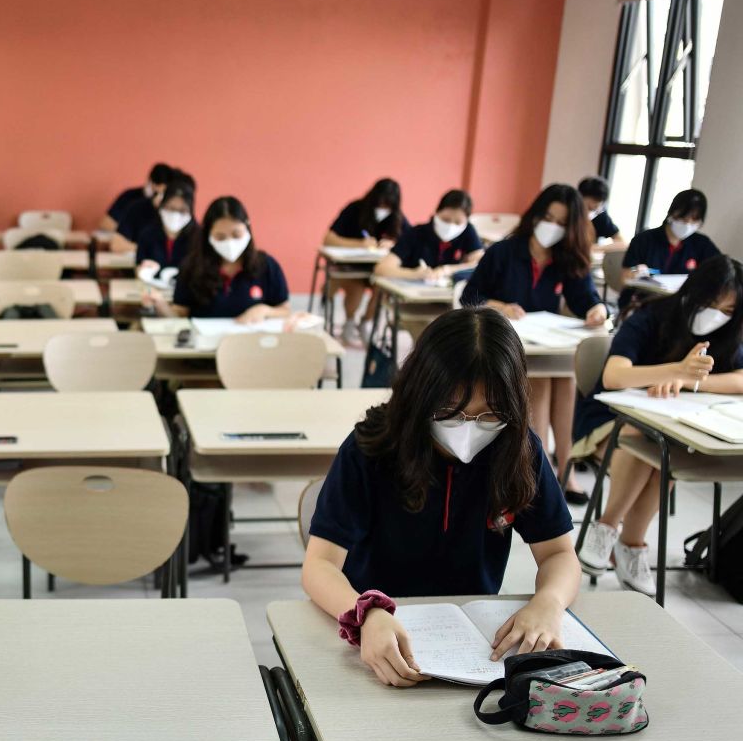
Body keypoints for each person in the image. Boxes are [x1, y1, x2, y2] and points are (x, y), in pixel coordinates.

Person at [302, 307, 580, 687]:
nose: (468, 429)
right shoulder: (372, 448)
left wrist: (548, 602)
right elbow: (319, 565)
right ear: (420, 394)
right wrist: (365, 614)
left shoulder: (517, 450)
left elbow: (560, 554)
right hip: (376, 633)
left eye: (489, 415)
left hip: (473, 645)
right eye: (450, 413)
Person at [574, 257, 743, 596]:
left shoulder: (728, 332)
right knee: (647, 440)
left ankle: (627, 543)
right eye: (711, 305)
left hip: (671, 426)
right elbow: (614, 375)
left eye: (726, 310)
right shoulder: (651, 316)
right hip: (607, 421)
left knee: (664, 448)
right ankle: (612, 530)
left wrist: (692, 383)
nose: (716, 316)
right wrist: (676, 370)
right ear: (692, 294)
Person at [460, 183, 607, 503]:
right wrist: (500, 306)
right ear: (536, 215)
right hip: (503, 345)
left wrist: (597, 309)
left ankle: (565, 468)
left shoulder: (567, 258)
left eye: (560, 222)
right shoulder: (504, 251)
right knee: (540, 383)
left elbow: (586, 299)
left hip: (544, 343)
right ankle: (536, 470)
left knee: (565, 379)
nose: (551, 227)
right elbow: (470, 295)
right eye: (548, 217)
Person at [147, 196, 289, 321]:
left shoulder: (267, 265)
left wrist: (264, 310)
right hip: (204, 349)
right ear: (208, 236)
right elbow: (180, 314)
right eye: (220, 237)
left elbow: (285, 310)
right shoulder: (192, 267)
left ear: (247, 228)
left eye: (236, 234)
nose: (230, 243)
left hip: (252, 346)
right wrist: (160, 305)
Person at [323, 178, 410, 347]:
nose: (383, 210)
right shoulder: (355, 209)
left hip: (377, 269)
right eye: (381, 204)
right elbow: (329, 239)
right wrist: (359, 244)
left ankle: (365, 322)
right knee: (357, 286)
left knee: (383, 287)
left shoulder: (396, 217)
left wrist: (393, 244)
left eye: (388, 206)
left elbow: (410, 241)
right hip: (350, 267)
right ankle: (349, 321)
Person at [618, 189, 721, 308]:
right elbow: (625, 277)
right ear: (672, 213)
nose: (688, 224)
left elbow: (720, 269)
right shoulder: (643, 240)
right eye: (684, 218)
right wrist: (635, 273)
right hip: (643, 302)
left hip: (680, 304)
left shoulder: (701, 243)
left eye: (694, 220)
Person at [374, 189, 483, 281]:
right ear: (436, 213)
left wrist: (447, 270)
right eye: (445, 219)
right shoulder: (415, 233)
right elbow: (382, 268)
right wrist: (413, 274)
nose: (451, 226)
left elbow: (480, 263)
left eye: (458, 222)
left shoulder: (468, 231)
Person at [135, 178, 196, 273]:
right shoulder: (147, 234)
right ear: (162, 206)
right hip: (152, 286)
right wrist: (143, 270)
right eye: (171, 208)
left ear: (190, 212)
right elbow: (138, 266)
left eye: (182, 210)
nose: (175, 215)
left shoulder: (199, 238)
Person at [101, 163, 172, 233]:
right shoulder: (129, 196)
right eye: (155, 192)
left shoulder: (166, 207)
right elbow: (106, 224)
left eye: (160, 193)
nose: (157, 198)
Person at [578, 175, 625, 251]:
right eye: (588, 208)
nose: (589, 213)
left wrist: (596, 248)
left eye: (595, 209)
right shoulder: (567, 215)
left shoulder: (600, 216)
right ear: (578, 198)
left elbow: (622, 243)